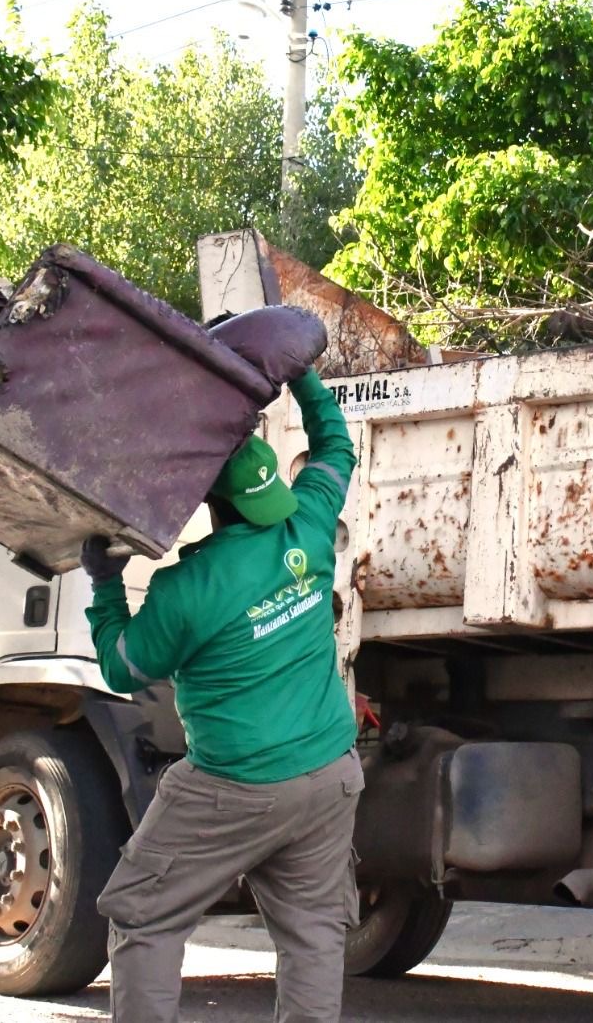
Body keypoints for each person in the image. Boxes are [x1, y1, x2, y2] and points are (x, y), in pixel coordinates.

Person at [83, 366, 360, 1023]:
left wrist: (104, 585)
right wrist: (304, 379)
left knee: (142, 916)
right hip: (328, 775)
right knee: (314, 935)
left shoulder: (188, 591)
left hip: (235, 786)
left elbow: (122, 667)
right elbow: (336, 448)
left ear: (213, 505)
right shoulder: (311, 526)